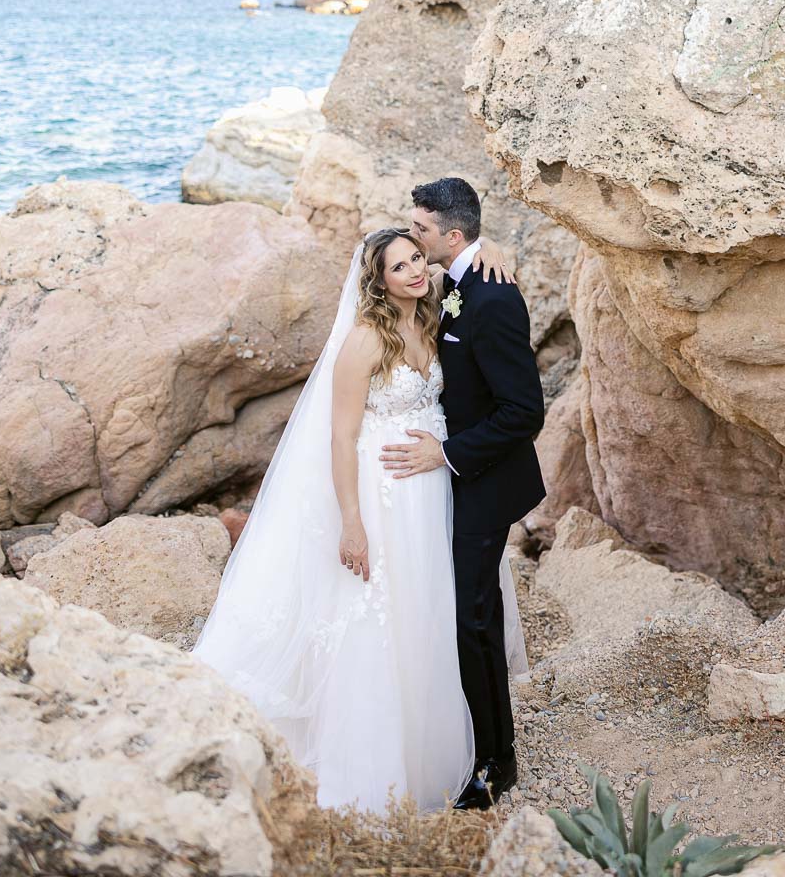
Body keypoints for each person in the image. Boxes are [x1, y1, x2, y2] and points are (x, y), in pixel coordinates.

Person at [193, 223, 526, 813]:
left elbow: (467, 260)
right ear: (378, 280)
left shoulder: (432, 309)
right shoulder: (365, 340)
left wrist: (491, 248)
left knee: (430, 608)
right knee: (380, 612)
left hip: (435, 489)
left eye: (417, 258)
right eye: (399, 266)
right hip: (383, 493)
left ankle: (442, 740)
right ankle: (380, 758)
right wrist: (352, 522)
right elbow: (341, 437)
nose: (415, 270)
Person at [383, 176, 546, 810]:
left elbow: (523, 411)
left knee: (474, 619)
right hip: (452, 479)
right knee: (467, 612)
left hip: (481, 480)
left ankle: (495, 763)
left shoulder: (493, 297)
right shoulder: (455, 279)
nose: (412, 238)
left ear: (452, 236)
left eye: (420, 229)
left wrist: (445, 454)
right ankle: (473, 738)